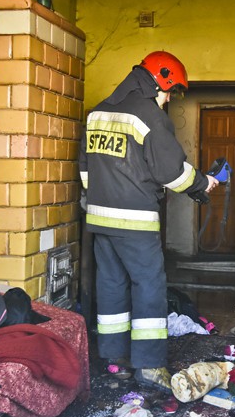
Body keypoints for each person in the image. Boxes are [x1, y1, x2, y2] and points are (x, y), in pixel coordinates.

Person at [78, 51, 219, 391]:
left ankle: (114, 361)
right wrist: (203, 183)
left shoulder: (98, 112)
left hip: (99, 219)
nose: (170, 97)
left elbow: (85, 168)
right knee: (149, 288)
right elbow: (170, 171)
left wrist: (102, 198)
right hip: (136, 222)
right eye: (171, 90)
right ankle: (150, 367)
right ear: (161, 80)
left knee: (110, 286)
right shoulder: (148, 114)